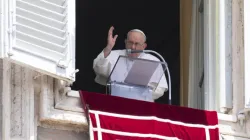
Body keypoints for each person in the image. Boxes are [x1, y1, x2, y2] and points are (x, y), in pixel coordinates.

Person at [93, 26, 168, 102]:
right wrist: (108, 48)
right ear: (125, 42)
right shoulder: (113, 54)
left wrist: (139, 93)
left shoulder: (153, 60)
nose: (133, 47)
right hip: (116, 102)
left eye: (137, 44)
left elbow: (160, 89)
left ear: (144, 46)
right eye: (130, 43)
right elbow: (99, 69)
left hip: (142, 105)